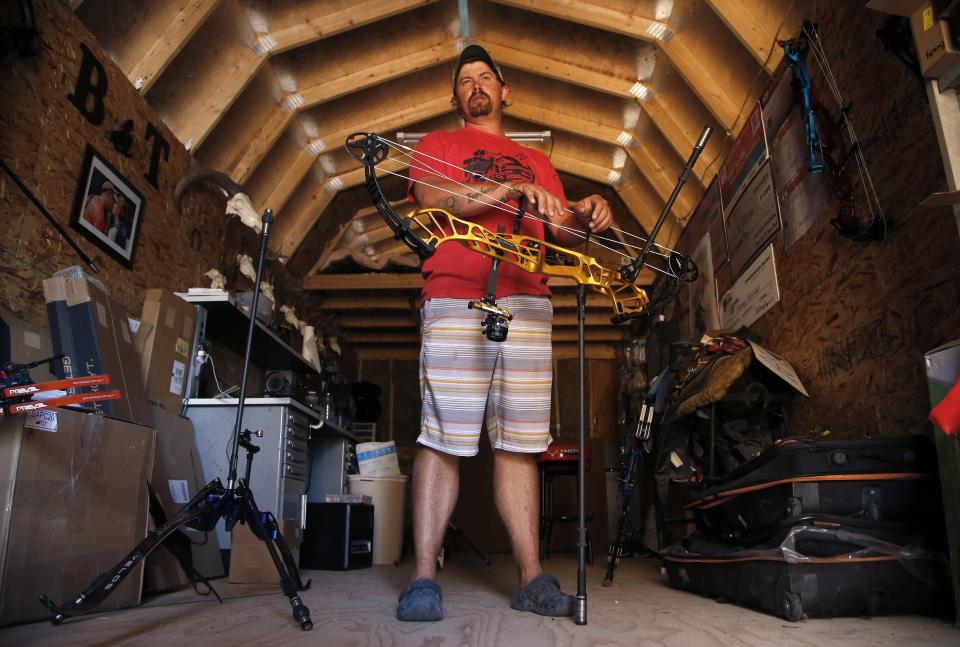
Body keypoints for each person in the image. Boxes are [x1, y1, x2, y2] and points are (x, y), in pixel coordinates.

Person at [396, 44, 612, 622]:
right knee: (442, 437)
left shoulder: (537, 161)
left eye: (485, 77)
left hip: (529, 300)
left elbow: (565, 234)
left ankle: (532, 576)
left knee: (520, 443)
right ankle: (422, 578)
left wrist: (590, 210)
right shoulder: (436, 146)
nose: (475, 86)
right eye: (465, 80)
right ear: (456, 96)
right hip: (453, 296)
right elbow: (433, 202)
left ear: (504, 90)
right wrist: (507, 193)